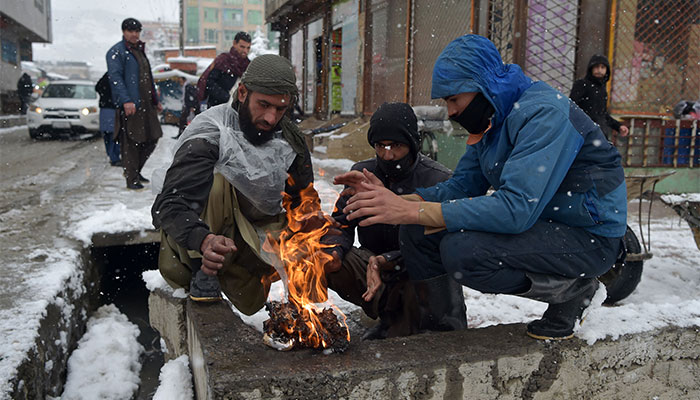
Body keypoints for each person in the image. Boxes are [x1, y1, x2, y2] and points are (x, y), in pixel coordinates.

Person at [337, 35, 628, 341]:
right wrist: (393, 201)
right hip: (543, 225)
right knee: (416, 228)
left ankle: (575, 292)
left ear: (482, 86)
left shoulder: (543, 113)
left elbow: (516, 209)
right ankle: (439, 330)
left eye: (453, 100)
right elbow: (461, 187)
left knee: (465, 252)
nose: (450, 112)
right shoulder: (493, 121)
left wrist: (413, 208)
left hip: (589, 236)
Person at [152, 54, 322, 313]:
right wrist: (203, 240)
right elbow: (171, 203)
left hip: (256, 235)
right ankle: (203, 271)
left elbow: (303, 199)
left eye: (280, 109)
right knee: (220, 180)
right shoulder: (211, 131)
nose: (270, 118)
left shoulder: (290, 139)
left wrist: (314, 244)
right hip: (206, 233)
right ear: (242, 93)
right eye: (263, 105)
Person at [322, 102, 455, 340]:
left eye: (397, 145)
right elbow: (341, 222)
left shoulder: (438, 179)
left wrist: (387, 259)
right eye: (380, 146)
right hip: (374, 269)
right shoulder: (362, 174)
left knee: (422, 277)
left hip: (418, 272)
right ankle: (391, 319)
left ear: (413, 144)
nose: (388, 154)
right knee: (321, 254)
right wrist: (331, 251)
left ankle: (407, 324)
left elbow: (440, 246)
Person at [106, 17, 163, 190]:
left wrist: (155, 100)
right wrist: (126, 101)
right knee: (131, 142)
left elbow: (148, 78)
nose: (134, 34)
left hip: (146, 105)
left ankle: (135, 171)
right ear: (123, 32)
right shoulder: (117, 51)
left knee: (152, 138)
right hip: (131, 105)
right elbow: (115, 78)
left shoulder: (139, 50)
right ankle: (131, 178)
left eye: (137, 31)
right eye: (131, 31)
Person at [570, 54, 629, 140]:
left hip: (598, 134)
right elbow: (572, 107)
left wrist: (618, 126)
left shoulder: (602, 90)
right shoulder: (582, 84)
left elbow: (602, 115)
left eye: (602, 67)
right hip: (583, 133)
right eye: (596, 67)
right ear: (591, 68)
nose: (599, 70)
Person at [196, 32, 251, 110]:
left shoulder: (248, 65)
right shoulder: (223, 60)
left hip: (238, 109)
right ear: (234, 43)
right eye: (242, 47)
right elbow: (209, 82)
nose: (245, 51)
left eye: (248, 48)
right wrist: (225, 97)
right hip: (217, 108)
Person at [95, 72, 121, 166]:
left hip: (105, 108)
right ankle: (114, 157)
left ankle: (112, 155)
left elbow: (98, 87)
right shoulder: (116, 76)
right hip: (113, 109)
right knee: (114, 134)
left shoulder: (106, 77)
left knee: (108, 134)